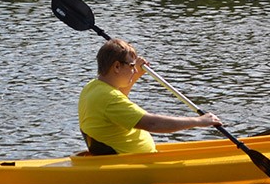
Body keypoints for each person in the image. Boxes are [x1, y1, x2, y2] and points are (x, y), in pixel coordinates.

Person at [78, 38, 221, 155]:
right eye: (132, 66)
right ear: (116, 67)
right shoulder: (109, 98)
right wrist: (198, 121)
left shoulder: (93, 88)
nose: (134, 70)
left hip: (129, 158)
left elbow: (117, 102)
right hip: (129, 163)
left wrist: (138, 73)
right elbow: (152, 124)